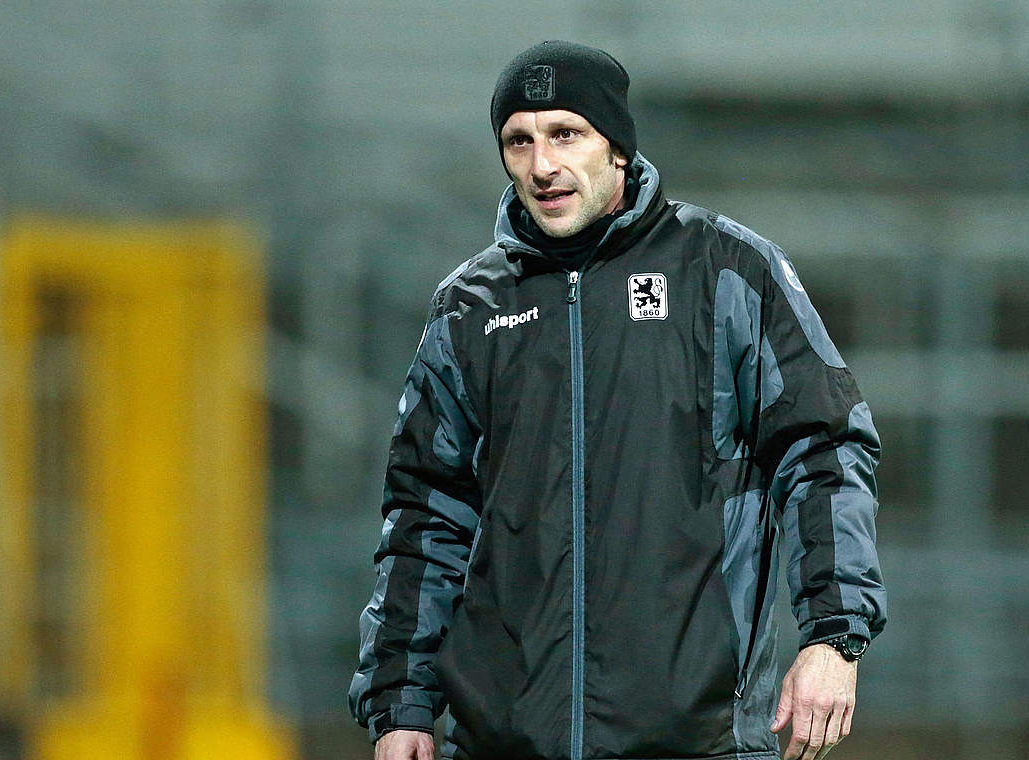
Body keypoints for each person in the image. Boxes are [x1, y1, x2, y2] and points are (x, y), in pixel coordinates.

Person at [349, 40, 886, 760]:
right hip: (500, 740)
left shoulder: (725, 272)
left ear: (619, 148)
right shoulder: (469, 309)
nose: (543, 165)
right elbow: (426, 512)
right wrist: (401, 707)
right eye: (520, 141)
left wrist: (834, 635)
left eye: (566, 134)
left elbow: (824, 448)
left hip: (696, 741)